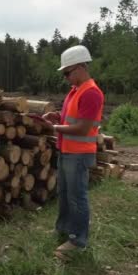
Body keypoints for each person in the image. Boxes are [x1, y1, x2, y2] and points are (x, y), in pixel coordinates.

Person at [42, 45, 104, 259]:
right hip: (66, 151)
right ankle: (64, 228)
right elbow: (71, 118)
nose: (66, 77)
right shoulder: (74, 91)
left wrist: (54, 128)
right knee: (65, 194)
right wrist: (57, 116)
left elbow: (84, 128)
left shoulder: (92, 93)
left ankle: (78, 240)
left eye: (68, 72)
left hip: (79, 154)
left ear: (81, 67)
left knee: (78, 197)